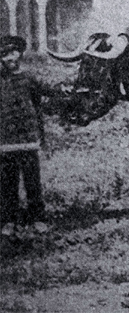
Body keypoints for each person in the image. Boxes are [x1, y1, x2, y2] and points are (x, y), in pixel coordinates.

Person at [0, 35, 48, 237]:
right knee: (7, 183)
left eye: (13, 52)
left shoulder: (30, 78)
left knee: (32, 182)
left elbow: (38, 107)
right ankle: (9, 220)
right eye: (3, 54)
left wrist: (41, 133)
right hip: (6, 140)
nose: (9, 57)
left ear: (20, 53)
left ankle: (37, 219)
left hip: (28, 138)